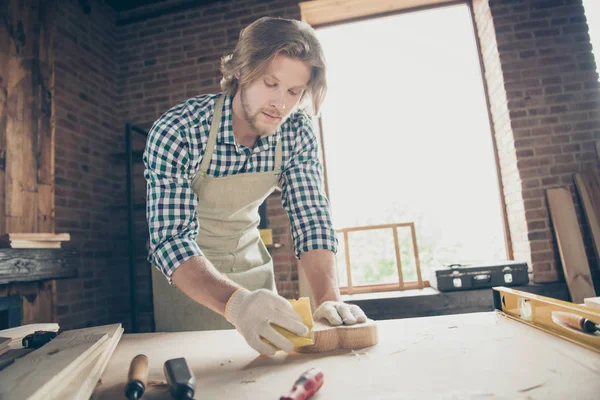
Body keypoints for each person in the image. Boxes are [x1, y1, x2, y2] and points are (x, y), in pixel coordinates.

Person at [143, 16, 367, 357]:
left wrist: (327, 297)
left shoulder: (296, 132)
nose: (280, 104)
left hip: (254, 274)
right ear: (240, 73)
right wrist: (236, 305)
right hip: (189, 282)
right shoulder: (179, 130)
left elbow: (311, 217)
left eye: (294, 92)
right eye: (270, 83)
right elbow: (170, 239)